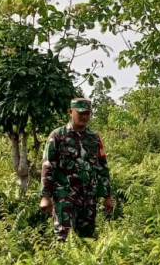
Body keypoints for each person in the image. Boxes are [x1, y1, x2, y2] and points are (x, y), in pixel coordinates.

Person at [39, 97, 114, 240]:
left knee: (87, 240)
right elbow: (48, 167)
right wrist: (45, 196)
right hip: (65, 196)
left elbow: (102, 167)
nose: (84, 117)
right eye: (80, 113)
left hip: (89, 198)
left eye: (87, 113)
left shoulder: (94, 138)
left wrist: (107, 196)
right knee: (64, 239)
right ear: (70, 112)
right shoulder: (57, 136)